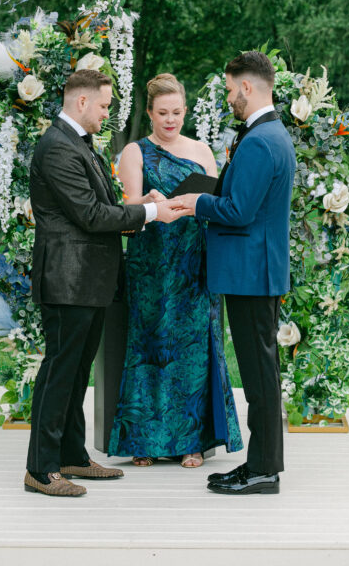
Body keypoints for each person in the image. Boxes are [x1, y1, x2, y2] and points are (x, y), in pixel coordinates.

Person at [24, 68, 186, 498]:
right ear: (82, 102)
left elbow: (102, 205)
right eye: (104, 105)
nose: (107, 113)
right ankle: (40, 469)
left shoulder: (78, 143)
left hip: (87, 281)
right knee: (60, 373)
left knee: (76, 373)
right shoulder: (58, 147)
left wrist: (143, 202)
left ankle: (72, 455)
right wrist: (152, 214)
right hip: (67, 280)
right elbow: (91, 216)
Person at [171, 51, 296, 496]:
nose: (228, 97)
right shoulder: (266, 134)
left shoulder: (261, 141)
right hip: (253, 271)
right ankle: (260, 465)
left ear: (247, 87)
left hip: (251, 273)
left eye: (229, 89)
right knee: (260, 375)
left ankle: (263, 471)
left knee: (260, 379)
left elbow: (239, 212)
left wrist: (195, 203)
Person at [107, 73, 242, 468]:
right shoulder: (135, 152)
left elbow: (218, 205)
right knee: (149, 348)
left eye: (177, 112)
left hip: (194, 261)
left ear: (185, 111)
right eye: (162, 113)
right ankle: (144, 440)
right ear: (149, 113)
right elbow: (128, 209)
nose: (170, 120)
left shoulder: (201, 150)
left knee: (192, 350)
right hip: (151, 263)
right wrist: (147, 200)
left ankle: (192, 442)